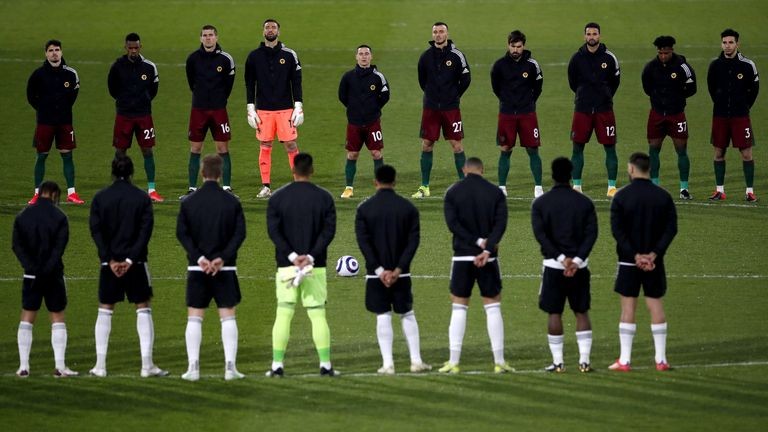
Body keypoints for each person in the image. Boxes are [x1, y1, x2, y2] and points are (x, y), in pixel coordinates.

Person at [88, 155, 167, 378]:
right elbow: (145, 231)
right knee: (143, 307)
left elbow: (96, 230)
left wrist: (109, 259)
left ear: (112, 172)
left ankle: (100, 366)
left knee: (105, 309)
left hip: (109, 264)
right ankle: (147, 365)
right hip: (137, 263)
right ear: (132, 172)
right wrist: (131, 259)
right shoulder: (141, 198)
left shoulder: (101, 198)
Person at [266, 153, 337, 377]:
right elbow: (328, 232)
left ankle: (277, 366)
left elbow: (274, 231)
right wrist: (311, 257)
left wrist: (292, 256)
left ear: (293, 171)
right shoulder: (324, 198)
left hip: (287, 266)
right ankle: (325, 365)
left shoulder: (277, 198)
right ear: (312, 171)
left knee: (284, 314)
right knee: (317, 314)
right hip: (315, 267)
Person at [355, 165, 431, 374]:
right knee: (407, 313)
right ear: (395, 182)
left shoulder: (364, 209)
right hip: (402, 273)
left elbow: (364, 244)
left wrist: (379, 270)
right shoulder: (408, 208)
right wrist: (398, 269)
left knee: (383, 314)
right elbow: (413, 242)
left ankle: (388, 364)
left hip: (374, 274)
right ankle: (416, 361)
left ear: (375, 182)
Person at [177, 154, 246, 381]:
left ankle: (193, 369)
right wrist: (222, 258)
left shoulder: (189, 202)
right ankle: (230, 368)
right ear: (220, 173)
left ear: (202, 172)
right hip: (225, 269)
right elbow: (239, 234)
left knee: (195, 317)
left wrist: (199, 258)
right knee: (227, 317)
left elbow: (182, 234)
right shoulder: (232, 202)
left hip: (198, 269)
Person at [440, 157, 512, 373]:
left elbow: (453, 225)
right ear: (483, 170)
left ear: (464, 170)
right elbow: (501, 223)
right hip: (488, 258)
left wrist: (476, 242)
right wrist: (487, 247)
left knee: (459, 306)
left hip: (462, 256)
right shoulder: (495, 192)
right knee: (492, 306)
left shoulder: (453, 192)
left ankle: (454, 362)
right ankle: (499, 362)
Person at [609, 152, 677, 372]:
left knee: (628, 308)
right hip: (654, 263)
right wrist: (654, 254)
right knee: (655, 305)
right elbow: (671, 229)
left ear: (631, 169)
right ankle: (661, 360)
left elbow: (617, 231)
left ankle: (625, 360)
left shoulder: (621, 196)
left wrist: (635, 255)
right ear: (649, 169)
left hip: (629, 262)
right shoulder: (663, 196)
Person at [531, 157, 598, 373]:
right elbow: (591, 234)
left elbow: (541, 236)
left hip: (553, 266)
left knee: (554, 313)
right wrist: (576, 260)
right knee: (581, 312)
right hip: (580, 267)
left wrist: (561, 259)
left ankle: (558, 362)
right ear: (571, 174)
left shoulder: (541, 203)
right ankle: (584, 361)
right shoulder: (585, 202)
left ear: (552, 174)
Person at [12, 181, 77, 377]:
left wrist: (31, 268)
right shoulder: (59, 217)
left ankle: (24, 367)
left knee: (28, 316)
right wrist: (46, 269)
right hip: (53, 274)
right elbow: (59, 248)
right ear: (54, 194)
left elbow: (17, 246)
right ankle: (60, 366)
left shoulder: (23, 216)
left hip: (31, 275)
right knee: (57, 317)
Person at [244, 18, 304, 199]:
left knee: (291, 145)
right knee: (265, 145)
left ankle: (299, 183)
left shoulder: (289, 55)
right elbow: (249, 84)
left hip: (285, 108)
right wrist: (250, 108)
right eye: (267, 27)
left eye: (273, 27)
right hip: (263, 110)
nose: (270, 30)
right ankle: (265, 186)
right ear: (263, 32)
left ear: (279, 31)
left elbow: (297, 82)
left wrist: (298, 105)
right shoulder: (254, 56)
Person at [412, 22, 471, 199]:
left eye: (441, 31)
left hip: (450, 108)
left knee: (457, 144)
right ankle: (424, 186)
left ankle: (464, 184)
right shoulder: (425, 57)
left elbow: (466, 79)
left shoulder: (457, 55)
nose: (438, 35)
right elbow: (422, 81)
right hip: (431, 107)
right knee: (427, 144)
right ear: (432, 35)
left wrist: (453, 95)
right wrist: (432, 95)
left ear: (447, 33)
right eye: (435, 32)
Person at [26, 40, 84, 205]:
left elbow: (73, 95)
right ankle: (37, 193)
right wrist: (43, 109)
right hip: (45, 122)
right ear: (46, 53)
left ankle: (71, 192)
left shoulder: (71, 74)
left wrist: (62, 109)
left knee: (67, 155)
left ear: (61, 52)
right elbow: (30, 96)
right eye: (50, 50)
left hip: (64, 121)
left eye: (57, 50)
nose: (54, 53)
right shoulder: (38, 75)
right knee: (41, 156)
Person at [108, 32, 164, 202]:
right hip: (124, 115)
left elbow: (154, 89)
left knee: (147, 150)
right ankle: (120, 185)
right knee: (120, 151)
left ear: (141, 47)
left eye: (136, 47)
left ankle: (152, 189)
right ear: (125, 48)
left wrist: (143, 100)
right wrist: (125, 101)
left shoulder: (149, 67)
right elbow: (112, 88)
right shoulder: (117, 66)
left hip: (143, 115)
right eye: (130, 48)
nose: (133, 50)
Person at [182, 25, 237, 199]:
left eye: (211, 35)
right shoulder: (193, 59)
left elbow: (229, 84)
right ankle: (192, 189)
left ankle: (227, 187)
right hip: (199, 109)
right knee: (196, 148)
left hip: (219, 109)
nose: (208, 38)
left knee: (222, 148)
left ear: (216, 37)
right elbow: (191, 82)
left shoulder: (226, 59)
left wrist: (219, 98)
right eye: (205, 35)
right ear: (200, 38)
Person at [567, 22, 621, 197]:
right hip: (582, 109)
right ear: (584, 36)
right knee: (577, 147)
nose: (591, 37)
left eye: (594, 34)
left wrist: (604, 95)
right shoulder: (576, 58)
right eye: (588, 34)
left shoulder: (609, 57)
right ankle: (577, 186)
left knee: (610, 147)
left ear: (600, 36)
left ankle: (611, 187)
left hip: (604, 109)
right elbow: (572, 82)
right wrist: (584, 95)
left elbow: (615, 82)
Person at [707, 28, 760, 202]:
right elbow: (712, 88)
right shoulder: (715, 65)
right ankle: (720, 190)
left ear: (737, 44)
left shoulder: (747, 65)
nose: (727, 46)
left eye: (731, 42)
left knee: (746, 153)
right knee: (719, 152)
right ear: (721, 44)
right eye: (724, 42)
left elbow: (754, 89)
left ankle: (749, 191)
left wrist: (744, 106)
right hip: (720, 115)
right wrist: (721, 103)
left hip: (740, 116)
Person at [642, 35, 697, 200]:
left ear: (672, 50)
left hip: (677, 114)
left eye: (666, 52)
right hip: (657, 113)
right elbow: (647, 87)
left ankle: (684, 188)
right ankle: (653, 185)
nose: (663, 56)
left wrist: (678, 98)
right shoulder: (650, 67)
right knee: (653, 149)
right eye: (661, 53)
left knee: (681, 150)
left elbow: (692, 87)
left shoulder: (682, 66)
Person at [491, 30, 544, 198]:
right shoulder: (499, 65)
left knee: (532, 149)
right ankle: (501, 187)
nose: (515, 50)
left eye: (519, 46)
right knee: (505, 149)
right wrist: (507, 101)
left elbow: (538, 87)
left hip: (527, 113)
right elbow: (496, 88)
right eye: (513, 46)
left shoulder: (532, 65)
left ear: (524, 46)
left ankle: (538, 187)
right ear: (508, 45)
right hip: (506, 113)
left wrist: (527, 102)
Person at [338, 45, 390, 198]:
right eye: (361, 54)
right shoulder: (348, 77)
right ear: (356, 57)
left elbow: (385, 96)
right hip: (354, 123)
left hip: (372, 122)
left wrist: (373, 108)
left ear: (371, 57)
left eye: (366, 54)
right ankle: (348, 188)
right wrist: (354, 108)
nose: (364, 56)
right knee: (352, 154)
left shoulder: (378, 77)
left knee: (376, 153)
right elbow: (342, 96)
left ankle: (381, 186)